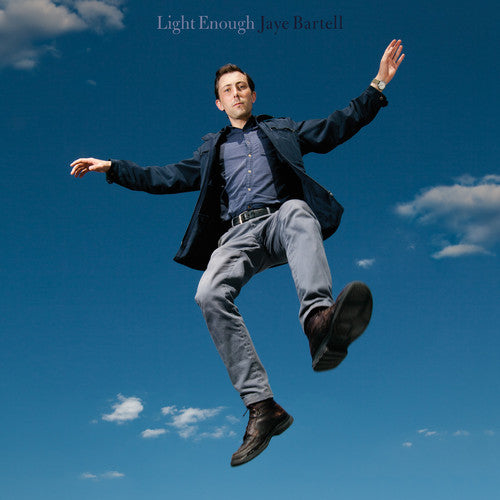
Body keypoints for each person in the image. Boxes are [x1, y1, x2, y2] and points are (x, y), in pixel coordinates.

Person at [70, 39, 405, 467]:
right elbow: (164, 176)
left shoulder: (282, 130)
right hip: (236, 238)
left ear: (253, 94)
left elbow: (337, 125)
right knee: (208, 294)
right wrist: (113, 168)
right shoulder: (212, 150)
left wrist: (377, 86)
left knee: (298, 210)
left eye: (242, 86)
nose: (236, 93)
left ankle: (318, 321)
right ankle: (262, 407)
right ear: (219, 103)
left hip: (279, 221)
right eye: (228, 90)